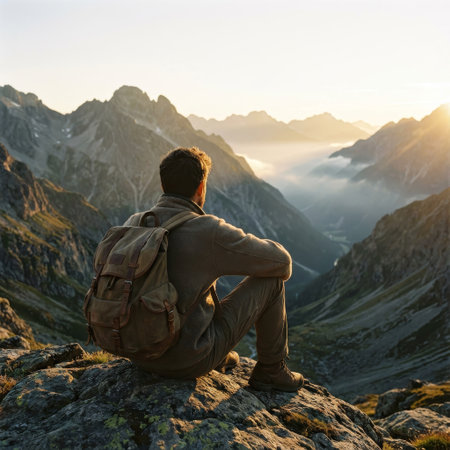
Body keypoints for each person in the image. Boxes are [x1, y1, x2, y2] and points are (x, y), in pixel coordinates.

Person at [124, 147, 303, 392]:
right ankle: (272, 371)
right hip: (187, 360)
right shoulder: (206, 230)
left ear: (163, 185)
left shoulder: (134, 223)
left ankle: (215, 354)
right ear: (200, 188)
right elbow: (282, 263)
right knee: (271, 283)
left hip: (139, 353)